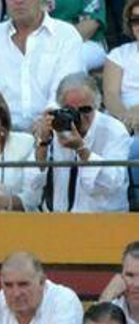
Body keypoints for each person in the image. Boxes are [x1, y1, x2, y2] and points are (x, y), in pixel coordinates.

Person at [0, 0, 84, 131]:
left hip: (51, 131)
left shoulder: (66, 36)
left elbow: (65, 91)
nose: (18, 1)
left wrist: (46, 123)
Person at [24, 72, 131, 211]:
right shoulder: (56, 125)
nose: (78, 116)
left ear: (98, 106)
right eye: (70, 110)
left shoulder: (114, 131)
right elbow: (32, 184)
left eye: (85, 109)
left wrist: (81, 150)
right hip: (56, 223)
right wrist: (43, 143)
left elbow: (111, 183)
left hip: (102, 222)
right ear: (60, 108)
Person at [102, 0, 139, 209]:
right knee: (128, 147)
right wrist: (127, 119)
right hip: (124, 124)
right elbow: (111, 95)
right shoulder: (119, 55)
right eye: (135, 20)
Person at [95, 239, 139, 324]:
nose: (137, 284)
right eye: (130, 275)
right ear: (121, 277)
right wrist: (106, 297)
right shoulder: (112, 307)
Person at [46, 0, 111, 72]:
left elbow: (91, 25)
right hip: (45, 41)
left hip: (86, 42)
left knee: (71, 59)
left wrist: (58, 44)